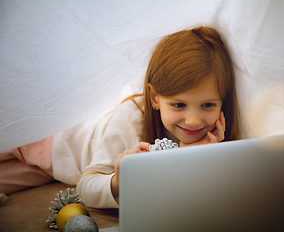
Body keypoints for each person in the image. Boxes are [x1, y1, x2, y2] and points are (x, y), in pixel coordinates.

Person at [0, 26, 242, 208]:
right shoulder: (131, 120)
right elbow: (86, 187)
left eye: (208, 105)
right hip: (52, 140)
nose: (193, 121)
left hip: (59, 169)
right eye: (179, 104)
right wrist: (118, 180)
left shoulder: (212, 139)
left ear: (223, 103)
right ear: (155, 98)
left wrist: (204, 153)